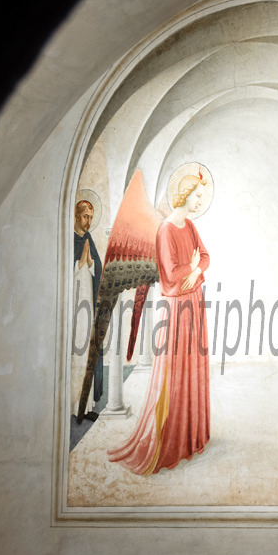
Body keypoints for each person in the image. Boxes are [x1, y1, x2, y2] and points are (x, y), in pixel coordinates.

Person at [108, 174, 210, 474]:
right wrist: (192, 268)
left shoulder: (189, 226)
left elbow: (205, 257)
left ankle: (190, 436)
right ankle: (170, 437)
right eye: (197, 195)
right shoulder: (165, 230)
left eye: (201, 196)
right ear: (184, 194)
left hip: (194, 302)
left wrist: (196, 271)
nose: (200, 200)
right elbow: (170, 272)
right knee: (174, 370)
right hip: (177, 307)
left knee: (193, 365)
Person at [72, 198, 103, 418]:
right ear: (77, 216)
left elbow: (97, 266)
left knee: (87, 350)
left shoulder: (88, 238)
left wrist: (90, 263)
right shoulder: (69, 238)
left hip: (87, 302)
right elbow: (63, 270)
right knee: (76, 352)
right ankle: (74, 406)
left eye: (91, 218)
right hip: (73, 304)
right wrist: (80, 262)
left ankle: (87, 405)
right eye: (85, 217)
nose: (88, 221)